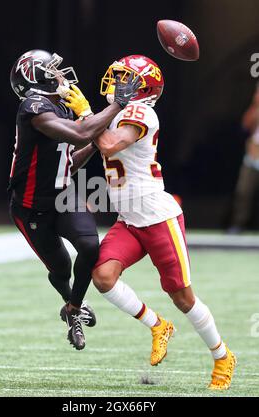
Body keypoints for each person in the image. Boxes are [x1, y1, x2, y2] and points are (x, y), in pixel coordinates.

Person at [70, 54, 236, 389]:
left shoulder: (142, 112)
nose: (115, 83)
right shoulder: (115, 112)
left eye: (124, 79)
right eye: (117, 76)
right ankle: (158, 324)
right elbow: (88, 143)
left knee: (182, 297)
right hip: (129, 219)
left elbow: (111, 143)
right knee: (102, 277)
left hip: (158, 218)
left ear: (141, 88)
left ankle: (222, 356)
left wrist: (86, 113)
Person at [8, 49, 141, 350]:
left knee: (90, 245)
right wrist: (116, 105)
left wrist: (96, 137)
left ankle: (73, 309)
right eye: (52, 70)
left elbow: (71, 159)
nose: (60, 75)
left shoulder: (60, 106)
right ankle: (71, 302)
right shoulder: (33, 106)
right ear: (35, 76)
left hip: (63, 194)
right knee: (60, 268)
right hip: (30, 206)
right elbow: (79, 134)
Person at [229, 83, 259, 233]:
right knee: (243, 191)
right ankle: (238, 224)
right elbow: (244, 127)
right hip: (253, 157)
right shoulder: (254, 110)